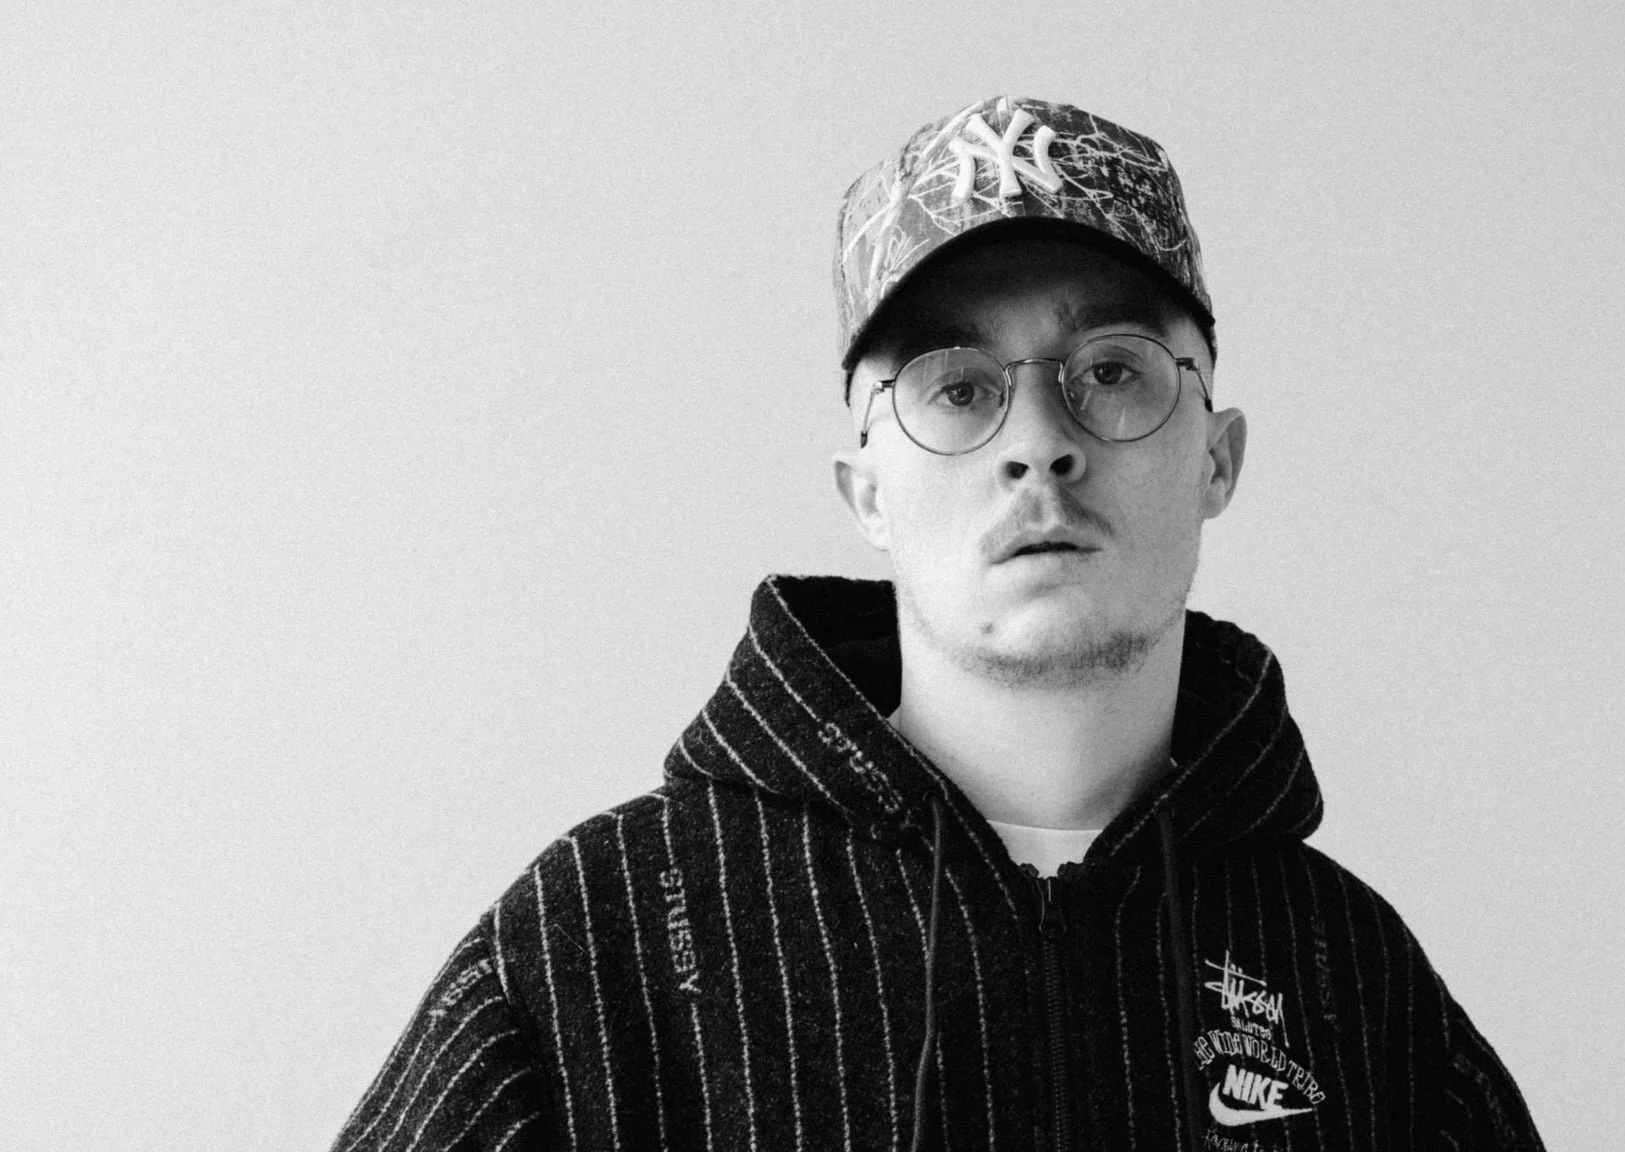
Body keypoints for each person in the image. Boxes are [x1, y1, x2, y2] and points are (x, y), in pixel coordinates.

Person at [332, 95, 1545, 1152]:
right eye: (958, 390)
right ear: (864, 488)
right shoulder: (606, 943)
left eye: (1112, 370)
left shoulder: (1349, 977)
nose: (1037, 443)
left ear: (1215, 459)